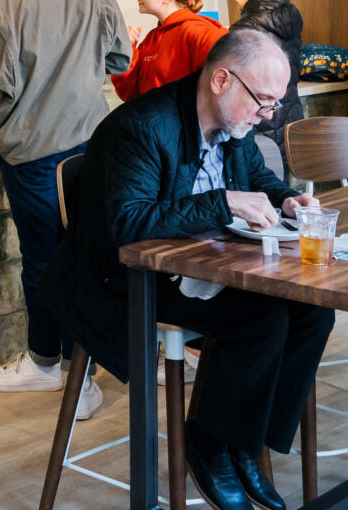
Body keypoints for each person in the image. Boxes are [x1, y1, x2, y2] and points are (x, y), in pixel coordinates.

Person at [47, 30, 331, 510]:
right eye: (262, 101)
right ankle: (207, 442)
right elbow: (128, 224)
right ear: (222, 80)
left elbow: (253, 179)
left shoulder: (231, 120)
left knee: (313, 313)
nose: (266, 115)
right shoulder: (140, 127)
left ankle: (244, 443)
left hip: (204, 265)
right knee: (262, 320)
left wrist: (286, 198)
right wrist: (223, 202)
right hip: (127, 280)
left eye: (273, 104)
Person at [0, 0, 130, 418]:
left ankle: (45, 365)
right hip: (89, 143)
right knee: (86, 253)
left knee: (44, 259)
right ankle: (86, 372)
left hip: (32, 151)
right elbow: (120, 55)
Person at [112, 0, 226, 101]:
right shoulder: (151, 38)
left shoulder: (196, 30)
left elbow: (234, 69)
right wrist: (126, 48)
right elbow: (130, 94)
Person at [228, 0, 304, 156]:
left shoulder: (247, 26)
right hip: (288, 112)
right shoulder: (290, 17)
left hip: (258, 119)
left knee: (258, 182)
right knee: (279, 181)